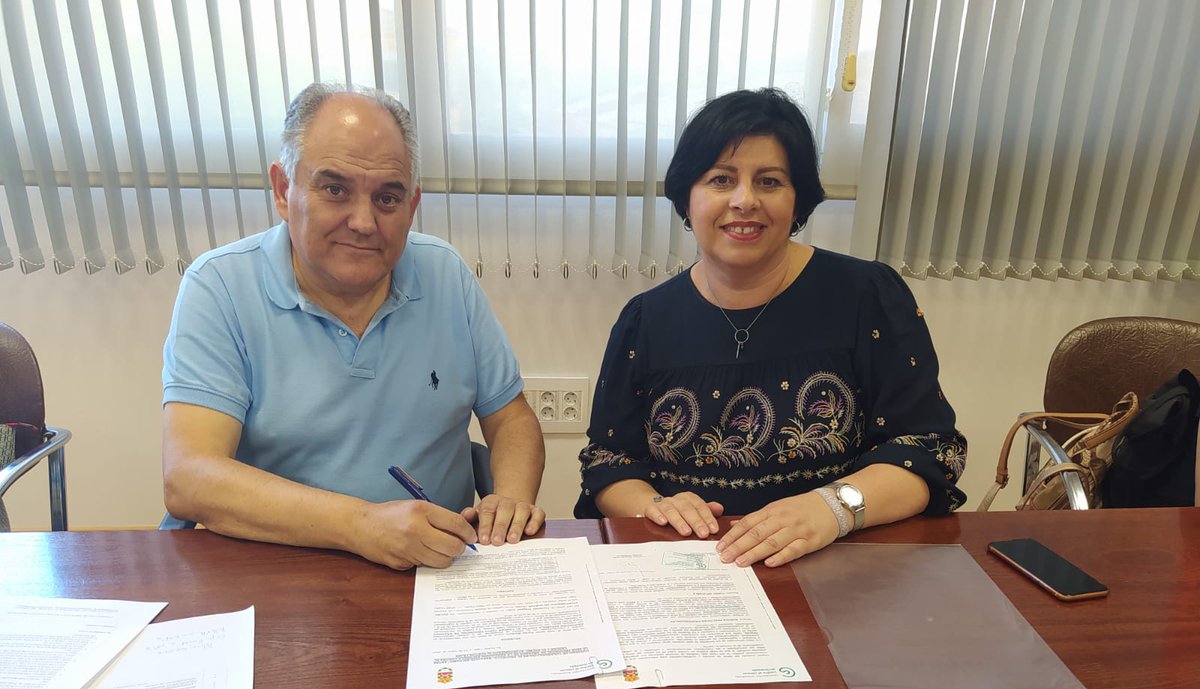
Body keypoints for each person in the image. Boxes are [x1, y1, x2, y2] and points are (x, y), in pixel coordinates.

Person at [575, 88, 966, 567]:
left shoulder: (867, 296)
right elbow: (609, 463)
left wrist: (833, 509)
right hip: (693, 569)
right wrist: (653, 505)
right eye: (720, 180)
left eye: (770, 181)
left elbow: (928, 452)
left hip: (841, 564)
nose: (744, 201)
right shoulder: (644, 321)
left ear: (797, 199)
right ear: (688, 197)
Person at [162, 83, 545, 570]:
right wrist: (363, 525)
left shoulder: (445, 274)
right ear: (284, 191)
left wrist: (508, 502)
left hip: (436, 570)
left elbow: (511, 419)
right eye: (335, 189)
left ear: (412, 207)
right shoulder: (219, 286)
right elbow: (190, 476)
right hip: (280, 569)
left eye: (387, 198)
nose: (363, 222)